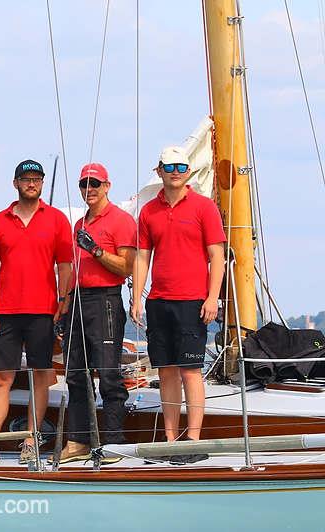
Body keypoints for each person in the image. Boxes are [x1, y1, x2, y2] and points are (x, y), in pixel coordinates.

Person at [0, 160, 72, 467]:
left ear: (41, 183)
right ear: (15, 183)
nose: (32, 183)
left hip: (43, 311)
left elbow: (65, 266)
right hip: (6, 312)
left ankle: (31, 440)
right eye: (26, 179)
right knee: (2, 379)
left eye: (36, 179)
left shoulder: (56, 220)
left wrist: (63, 302)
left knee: (41, 376)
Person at [130, 146, 226, 443]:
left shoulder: (204, 207)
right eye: (169, 167)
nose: (175, 173)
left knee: (190, 371)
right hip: (159, 301)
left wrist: (212, 298)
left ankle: (194, 438)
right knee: (167, 372)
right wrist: (136, 298)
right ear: (159, 170)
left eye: (181, 168)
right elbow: (143, 256)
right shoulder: (149, 212)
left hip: (192, 301)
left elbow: (217, 255)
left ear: (189, 172)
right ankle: (170, 440)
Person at [59, 163, 136, 463]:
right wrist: (63, 306)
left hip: (105, 299)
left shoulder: (121, 220)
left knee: (107, 374)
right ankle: (78, 441)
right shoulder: (79, 224)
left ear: (107, 186)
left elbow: (127, 266)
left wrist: (97, 251)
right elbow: (70, 270)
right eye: (83, 184)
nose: (88, 189)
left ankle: (114, 441)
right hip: (78, 299)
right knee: (75, 374)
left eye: (94, 183)